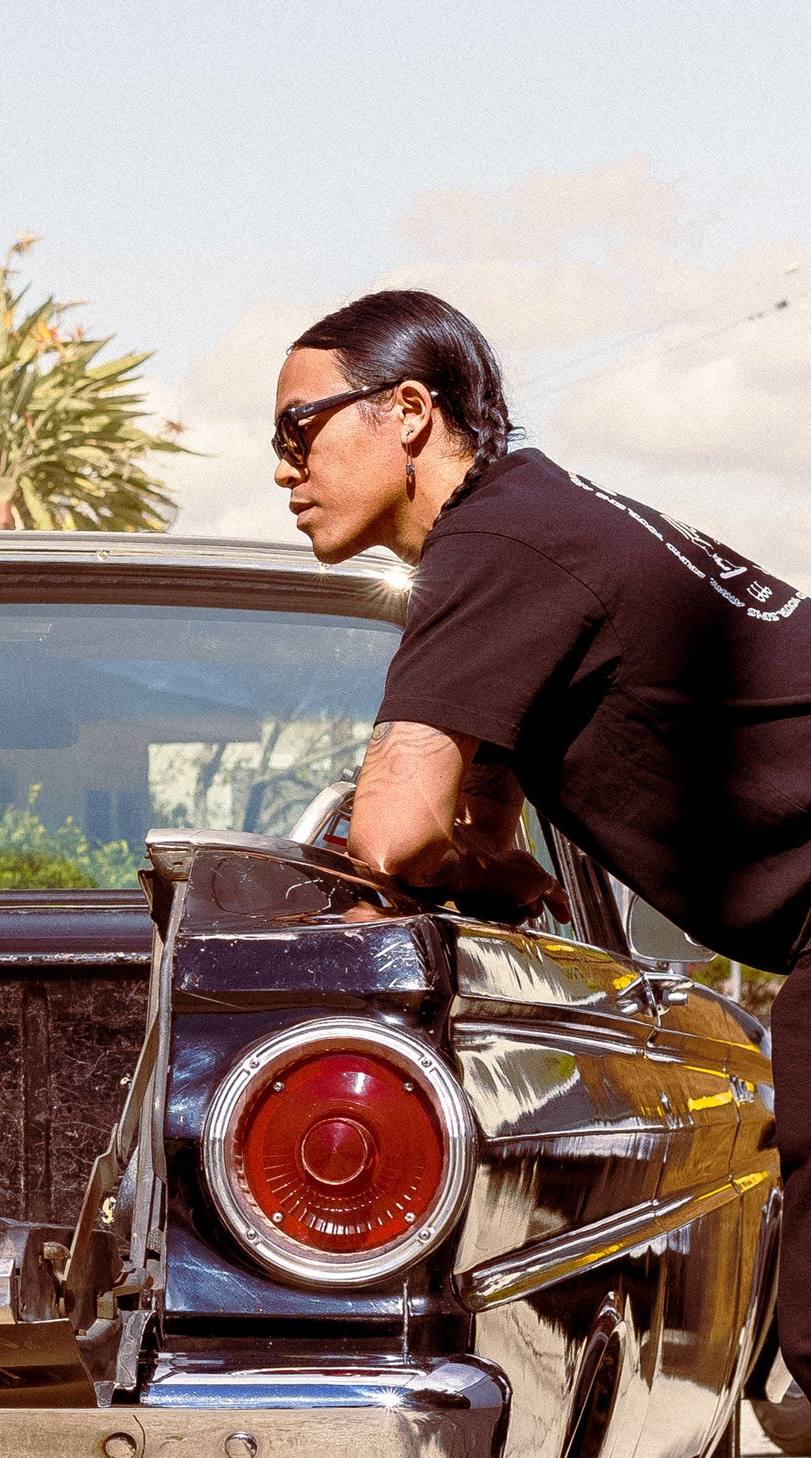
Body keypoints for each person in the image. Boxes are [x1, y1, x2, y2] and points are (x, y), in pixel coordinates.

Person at [274, 288, 811, 1379]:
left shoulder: (499, 542)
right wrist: (488, 863)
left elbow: (388, 833)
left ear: (407, 412)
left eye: (297, 428)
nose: (280, 467)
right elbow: (476, 819)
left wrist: (408, 868)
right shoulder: (536, 518)